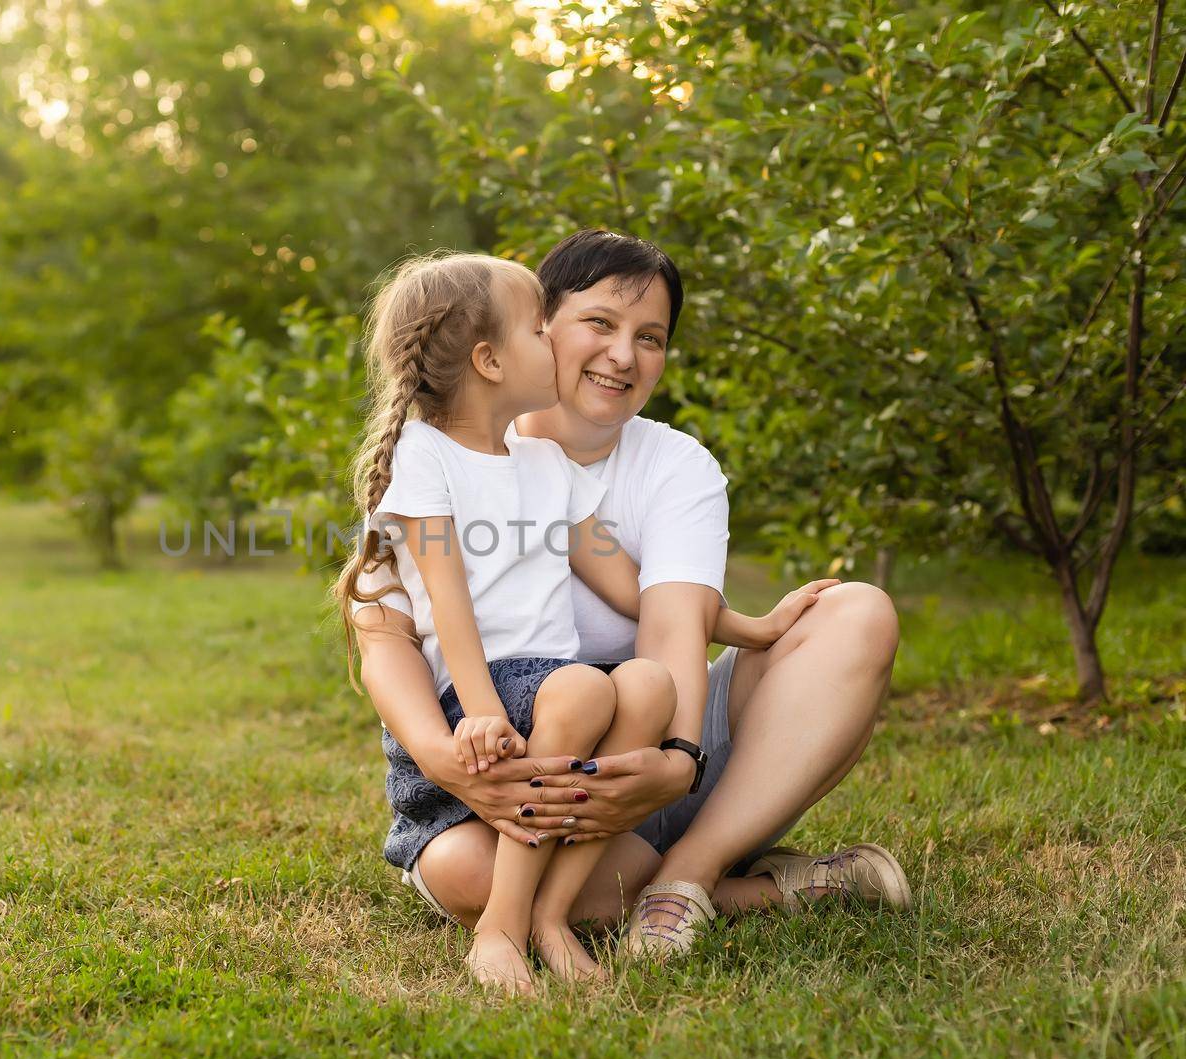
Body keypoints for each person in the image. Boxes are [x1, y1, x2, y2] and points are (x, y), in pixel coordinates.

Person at [351, 229, 910, 965]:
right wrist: (449, 751)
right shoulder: (426, 455)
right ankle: (757, 890)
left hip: (623, 746)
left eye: (651, 337)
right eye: (596, 324)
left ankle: (675, 878)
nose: (623, 354)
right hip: (492, 745)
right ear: (520, 340)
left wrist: (729, 659)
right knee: (470, 867)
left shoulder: (612, 467)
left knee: (658, 675)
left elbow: (658, 606)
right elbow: (398, 629)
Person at [333, 251, 679, 994]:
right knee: (586, 691)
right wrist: (481, 715)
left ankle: (548, 916)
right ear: (489, 360)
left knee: (649, 683)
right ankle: (498, 926)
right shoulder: (425, 457)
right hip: (471, 706)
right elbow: (447, 604)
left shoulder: (545, 464)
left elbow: (633, 585)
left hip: (548, 689)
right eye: (537, 327)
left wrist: (744, 623)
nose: (555, 338)